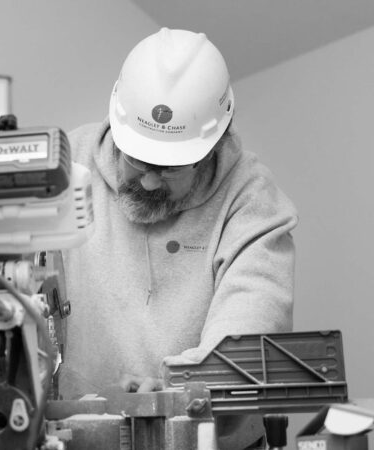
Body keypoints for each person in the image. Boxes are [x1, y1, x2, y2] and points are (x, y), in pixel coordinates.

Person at [59, 28, 298, 449]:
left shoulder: (251, 195)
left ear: (213, 145)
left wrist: (180, 385)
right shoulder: (67, 167)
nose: (149, 181)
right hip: (84, 436)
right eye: (136, 159)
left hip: (210, 439)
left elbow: (253, 318)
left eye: (171, 167)